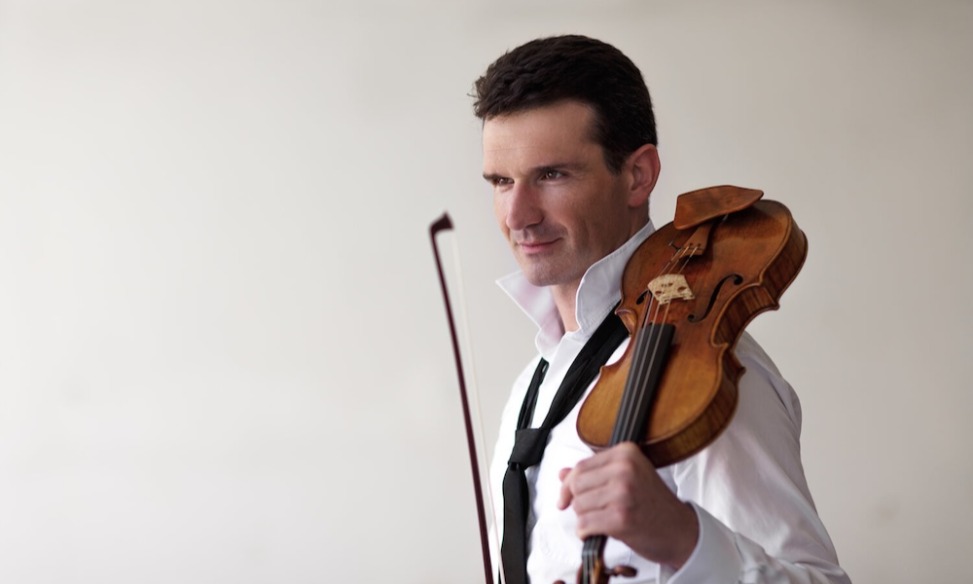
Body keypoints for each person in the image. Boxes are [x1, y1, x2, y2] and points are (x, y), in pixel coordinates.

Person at [472, 35, 850, 584]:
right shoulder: (531, 386)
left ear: (638, 175)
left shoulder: (703, 376)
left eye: (551, 175)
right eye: (502, 181)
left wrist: (684, 538)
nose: (517, 215)